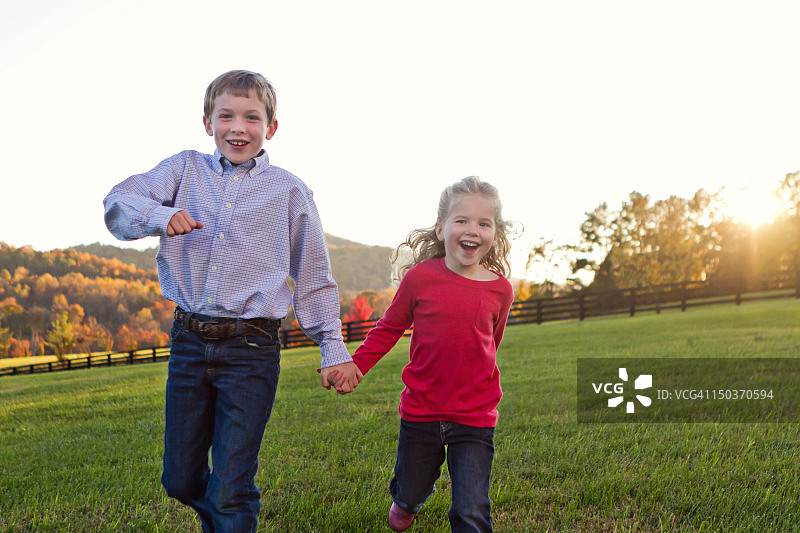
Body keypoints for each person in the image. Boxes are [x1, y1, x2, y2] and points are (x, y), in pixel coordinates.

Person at [103, 69, 362, 533]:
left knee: (233, 485)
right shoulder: (183, 170)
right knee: (179, 480)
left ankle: (230, 515)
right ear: (208, 122)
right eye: (226, 116)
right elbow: (119, 201)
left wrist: (332, 347)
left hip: (252, 350)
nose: (238, 127)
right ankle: (222, 519)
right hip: (188, 342)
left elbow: (313, 275)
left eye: (251, 117)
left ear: (271, 127)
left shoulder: (289, 190)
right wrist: (160, 216)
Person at [330, 176, 514, 532]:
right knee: (411, 491)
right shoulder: (420, 278)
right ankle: (408, 499)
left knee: (471, 509)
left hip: (475, 415)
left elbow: (491, 342)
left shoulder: (500, 290)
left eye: (483, 223)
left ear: (495, 233)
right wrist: (357, 366)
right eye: (461, 220)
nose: (471, 230)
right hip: (422, 411)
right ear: (441, 228)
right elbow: (388, 328)